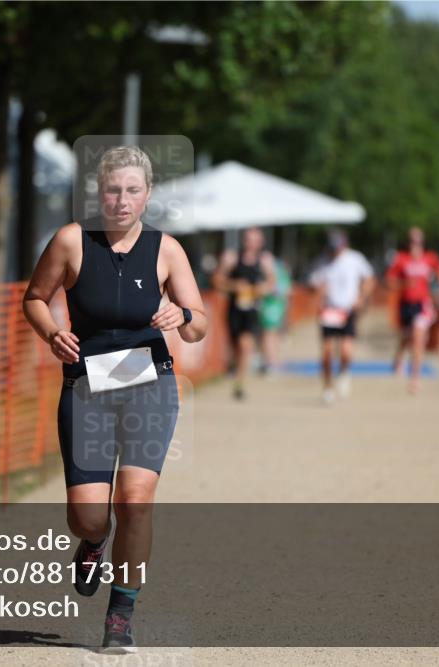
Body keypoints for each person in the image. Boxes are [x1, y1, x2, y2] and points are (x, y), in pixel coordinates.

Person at [22, 146, 207, 653]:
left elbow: (200, 323)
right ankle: (94, 541)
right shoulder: (71, 241)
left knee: (136, 503)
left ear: (147, 194)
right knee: (89, 515)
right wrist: (53, 333)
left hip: (150, 385)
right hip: (88, 389)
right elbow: (34, 299)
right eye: (111, 189)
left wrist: (183, 318)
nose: (121, 200)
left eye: (132, 190)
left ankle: (122, 613)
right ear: (97, 192)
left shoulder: (166, 249)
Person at [308, 229, 375, 404]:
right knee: (327, 352)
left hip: (348, 310)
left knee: (346, 351)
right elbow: (313, 285)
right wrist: (319, 293)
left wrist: (361, 298)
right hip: (329, 310)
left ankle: (344, 372)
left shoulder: (355, 259)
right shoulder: (322, 261)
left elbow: (369, 279)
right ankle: (327, 387)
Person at [212, 228, 273, 400]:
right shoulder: (231, 257)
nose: (252, 243)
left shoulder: (265, 260)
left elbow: (272, 282)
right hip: (234, 309)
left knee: (246, 345)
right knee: (235, 347)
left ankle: (239, 383)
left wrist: (262, 289)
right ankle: (234, 367)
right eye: (249, 239)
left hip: (253, 310)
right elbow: (217, 280)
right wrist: (234, 285)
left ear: (261, 242)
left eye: (256, 240)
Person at [386, 227, 439, 393]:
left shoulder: (430, 258)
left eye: (418, 241)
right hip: (406, 304)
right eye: (412, 241)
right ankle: (398, 357)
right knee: (406, 337)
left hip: (423, 304)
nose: (415, 244)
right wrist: (404, 284)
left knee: (418, 338)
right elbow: (389, 281)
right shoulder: (401, 259)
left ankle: (415, 378)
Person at [257, 250, 290, 376]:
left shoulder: (275, 273)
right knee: (270, 334)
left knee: (270, 334)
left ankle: (271, 361)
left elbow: (276, 289)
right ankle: (271, 361)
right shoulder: (278, 273)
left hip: (273, 307)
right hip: (272, 307)